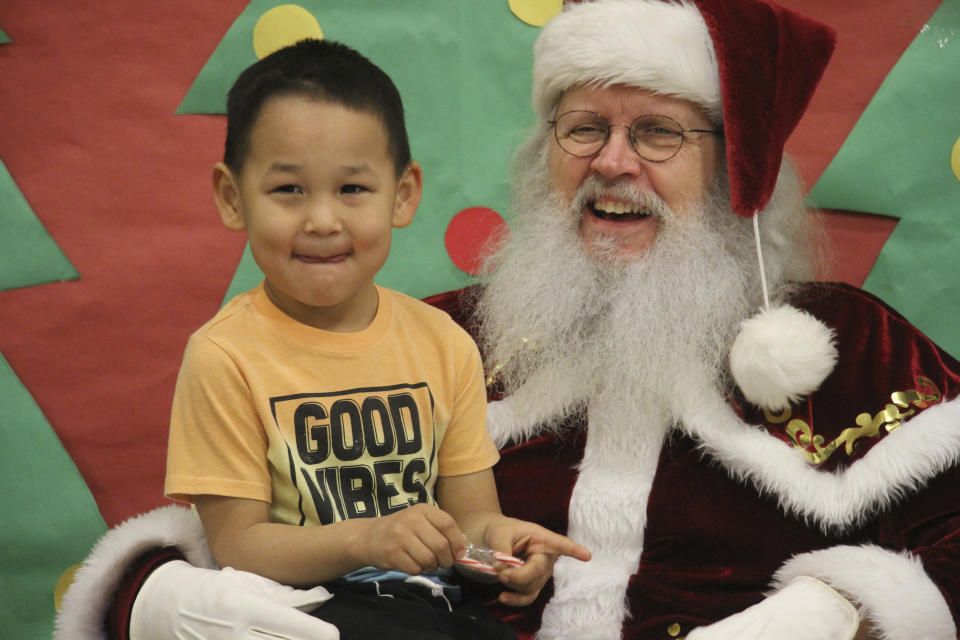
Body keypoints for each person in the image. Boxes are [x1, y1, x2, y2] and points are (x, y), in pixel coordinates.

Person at [56, 1, 960, 639]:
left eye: (657, 132)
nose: (614, 163)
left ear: (735, 172)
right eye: (582, 127)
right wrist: (149, 598)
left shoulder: (849, 349)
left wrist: (837, 613)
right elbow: (248, 520)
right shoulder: (440, 337)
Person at [54, 37, 591, 640]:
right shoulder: (226, 355)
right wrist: (366, 538)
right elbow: (239, 546)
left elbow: (468, 524)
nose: (322, 220)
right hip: (300, 612)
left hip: (436, 610)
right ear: (233, 198)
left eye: (352, 189)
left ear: (404, 193)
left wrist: (502, 550)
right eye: (288, 190)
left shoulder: (443, 344)